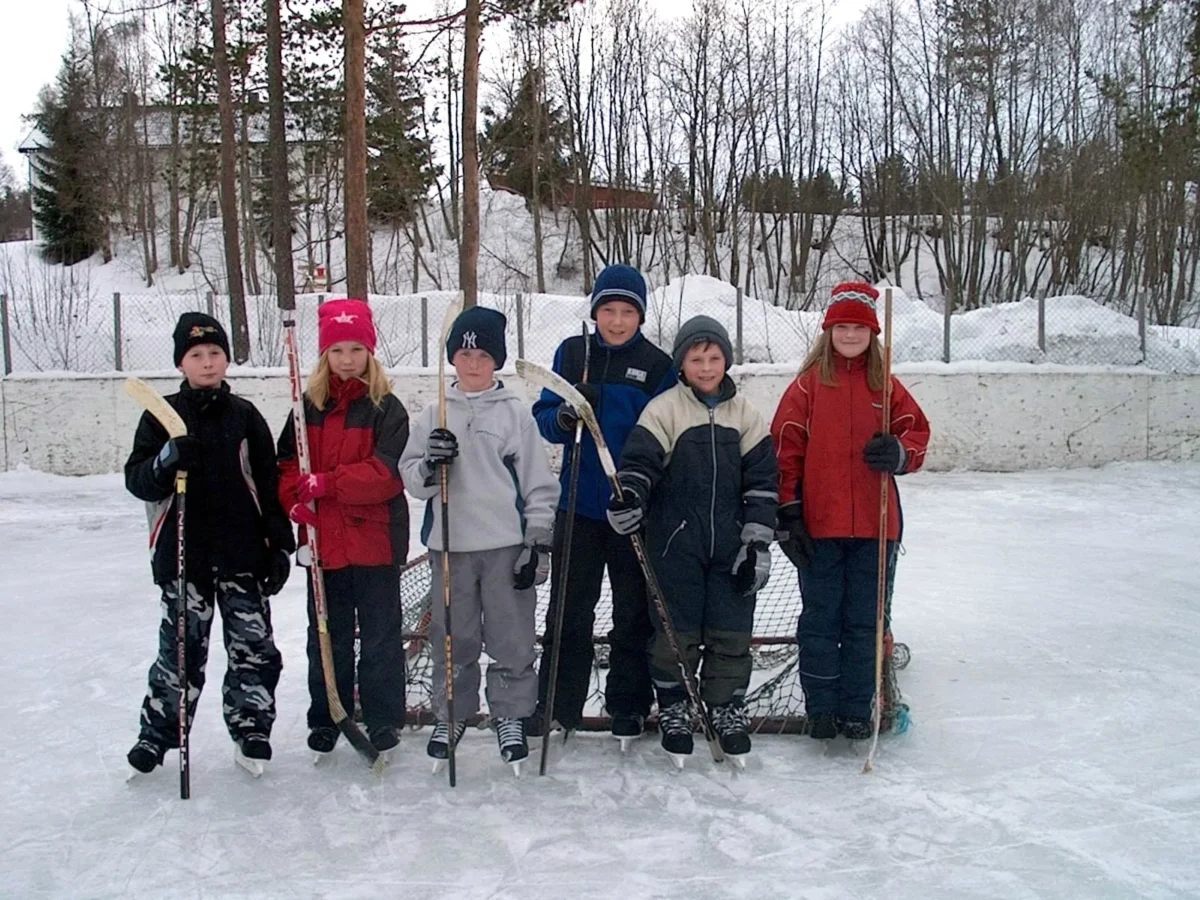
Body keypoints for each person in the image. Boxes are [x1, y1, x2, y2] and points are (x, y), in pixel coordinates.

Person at [124, 312, 294, 775]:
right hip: (185, 559)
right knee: (180, 652)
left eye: (215, 353)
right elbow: (137, 481)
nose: (207, 362)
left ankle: (251, 727)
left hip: (242, 557)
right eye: (196, 355)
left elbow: (269, 483)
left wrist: (280, 545)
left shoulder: (244, 416)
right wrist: (166, 459)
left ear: (226, 359)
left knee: (253, 649)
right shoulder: (161, 416)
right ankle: (157, 736)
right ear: (181, 363)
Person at [606, 315, 778, 763]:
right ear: (682, 363)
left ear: (727, 361)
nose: (706, 367)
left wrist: (756, 542)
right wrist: (631, 500)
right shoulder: (663, 410)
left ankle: (725, 708)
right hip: (673, 544)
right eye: (696, 358)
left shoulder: (746, 416)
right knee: (674, 632)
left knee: (730, 629)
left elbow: (762, 483)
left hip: (731, 546)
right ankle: (675, 706)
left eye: (715, 357)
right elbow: (640, 465)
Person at [399, 306, 560, 771]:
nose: (473, 363)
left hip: (505, 546)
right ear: (453, 357)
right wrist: (431, 465)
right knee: (453, 637)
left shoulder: (515, 415)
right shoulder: (435, 412)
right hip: (450, 547)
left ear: (497, 361)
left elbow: (538, 484)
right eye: (465, 353)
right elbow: (411, 477)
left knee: (511, 639)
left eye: (483, 354)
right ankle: (452, 715)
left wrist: (536, 539)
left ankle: (510, 716)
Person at [770, 282, 931, 741]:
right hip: (821, 527)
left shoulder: (887, 386)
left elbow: (917, 434)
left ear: (873, 333)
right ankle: (821, 707)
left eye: (859, 327)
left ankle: (857, 708)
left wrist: (899, 452)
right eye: (842, 326)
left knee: (865, 622)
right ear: (828, 330)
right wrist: (790, 512)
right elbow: (785, 450)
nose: (850, 334)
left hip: (877, 530)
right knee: (821, 621)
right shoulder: (806, 387)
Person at [530, 264, 674, 745]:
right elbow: (544, 417)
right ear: (595, 312)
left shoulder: (657, 365)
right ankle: (556, 706)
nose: (616, 321)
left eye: (627, 311)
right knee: (569, 611)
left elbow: (665, 430)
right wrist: (566, 415)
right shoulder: (574, 353)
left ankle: (628, 708)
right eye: (608, 310)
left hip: (632, 508)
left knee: (632, 614)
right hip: (579, 506)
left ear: (640, 315)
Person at [277, 299, 411, 758]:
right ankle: (329, 713)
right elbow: (286, 467)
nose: (347, 359)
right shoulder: (305, 409)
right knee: (327, 636)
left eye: (356, 349)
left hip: (375, 542)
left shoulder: (386, 409)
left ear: (370, 353)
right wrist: (295, 499)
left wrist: (327, 483)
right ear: (324, 356)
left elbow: (385, 475)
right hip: (325, 546)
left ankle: (382, 717)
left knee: (379, 636)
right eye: (337, 350)